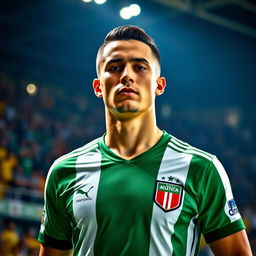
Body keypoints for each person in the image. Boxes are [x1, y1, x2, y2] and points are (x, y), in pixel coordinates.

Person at [38, 25, 252, 255]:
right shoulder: (64, 171)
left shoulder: (201, 168)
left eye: (140, 67)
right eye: (114, 67)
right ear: (98, 86)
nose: (127, 75)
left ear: (159, 85)